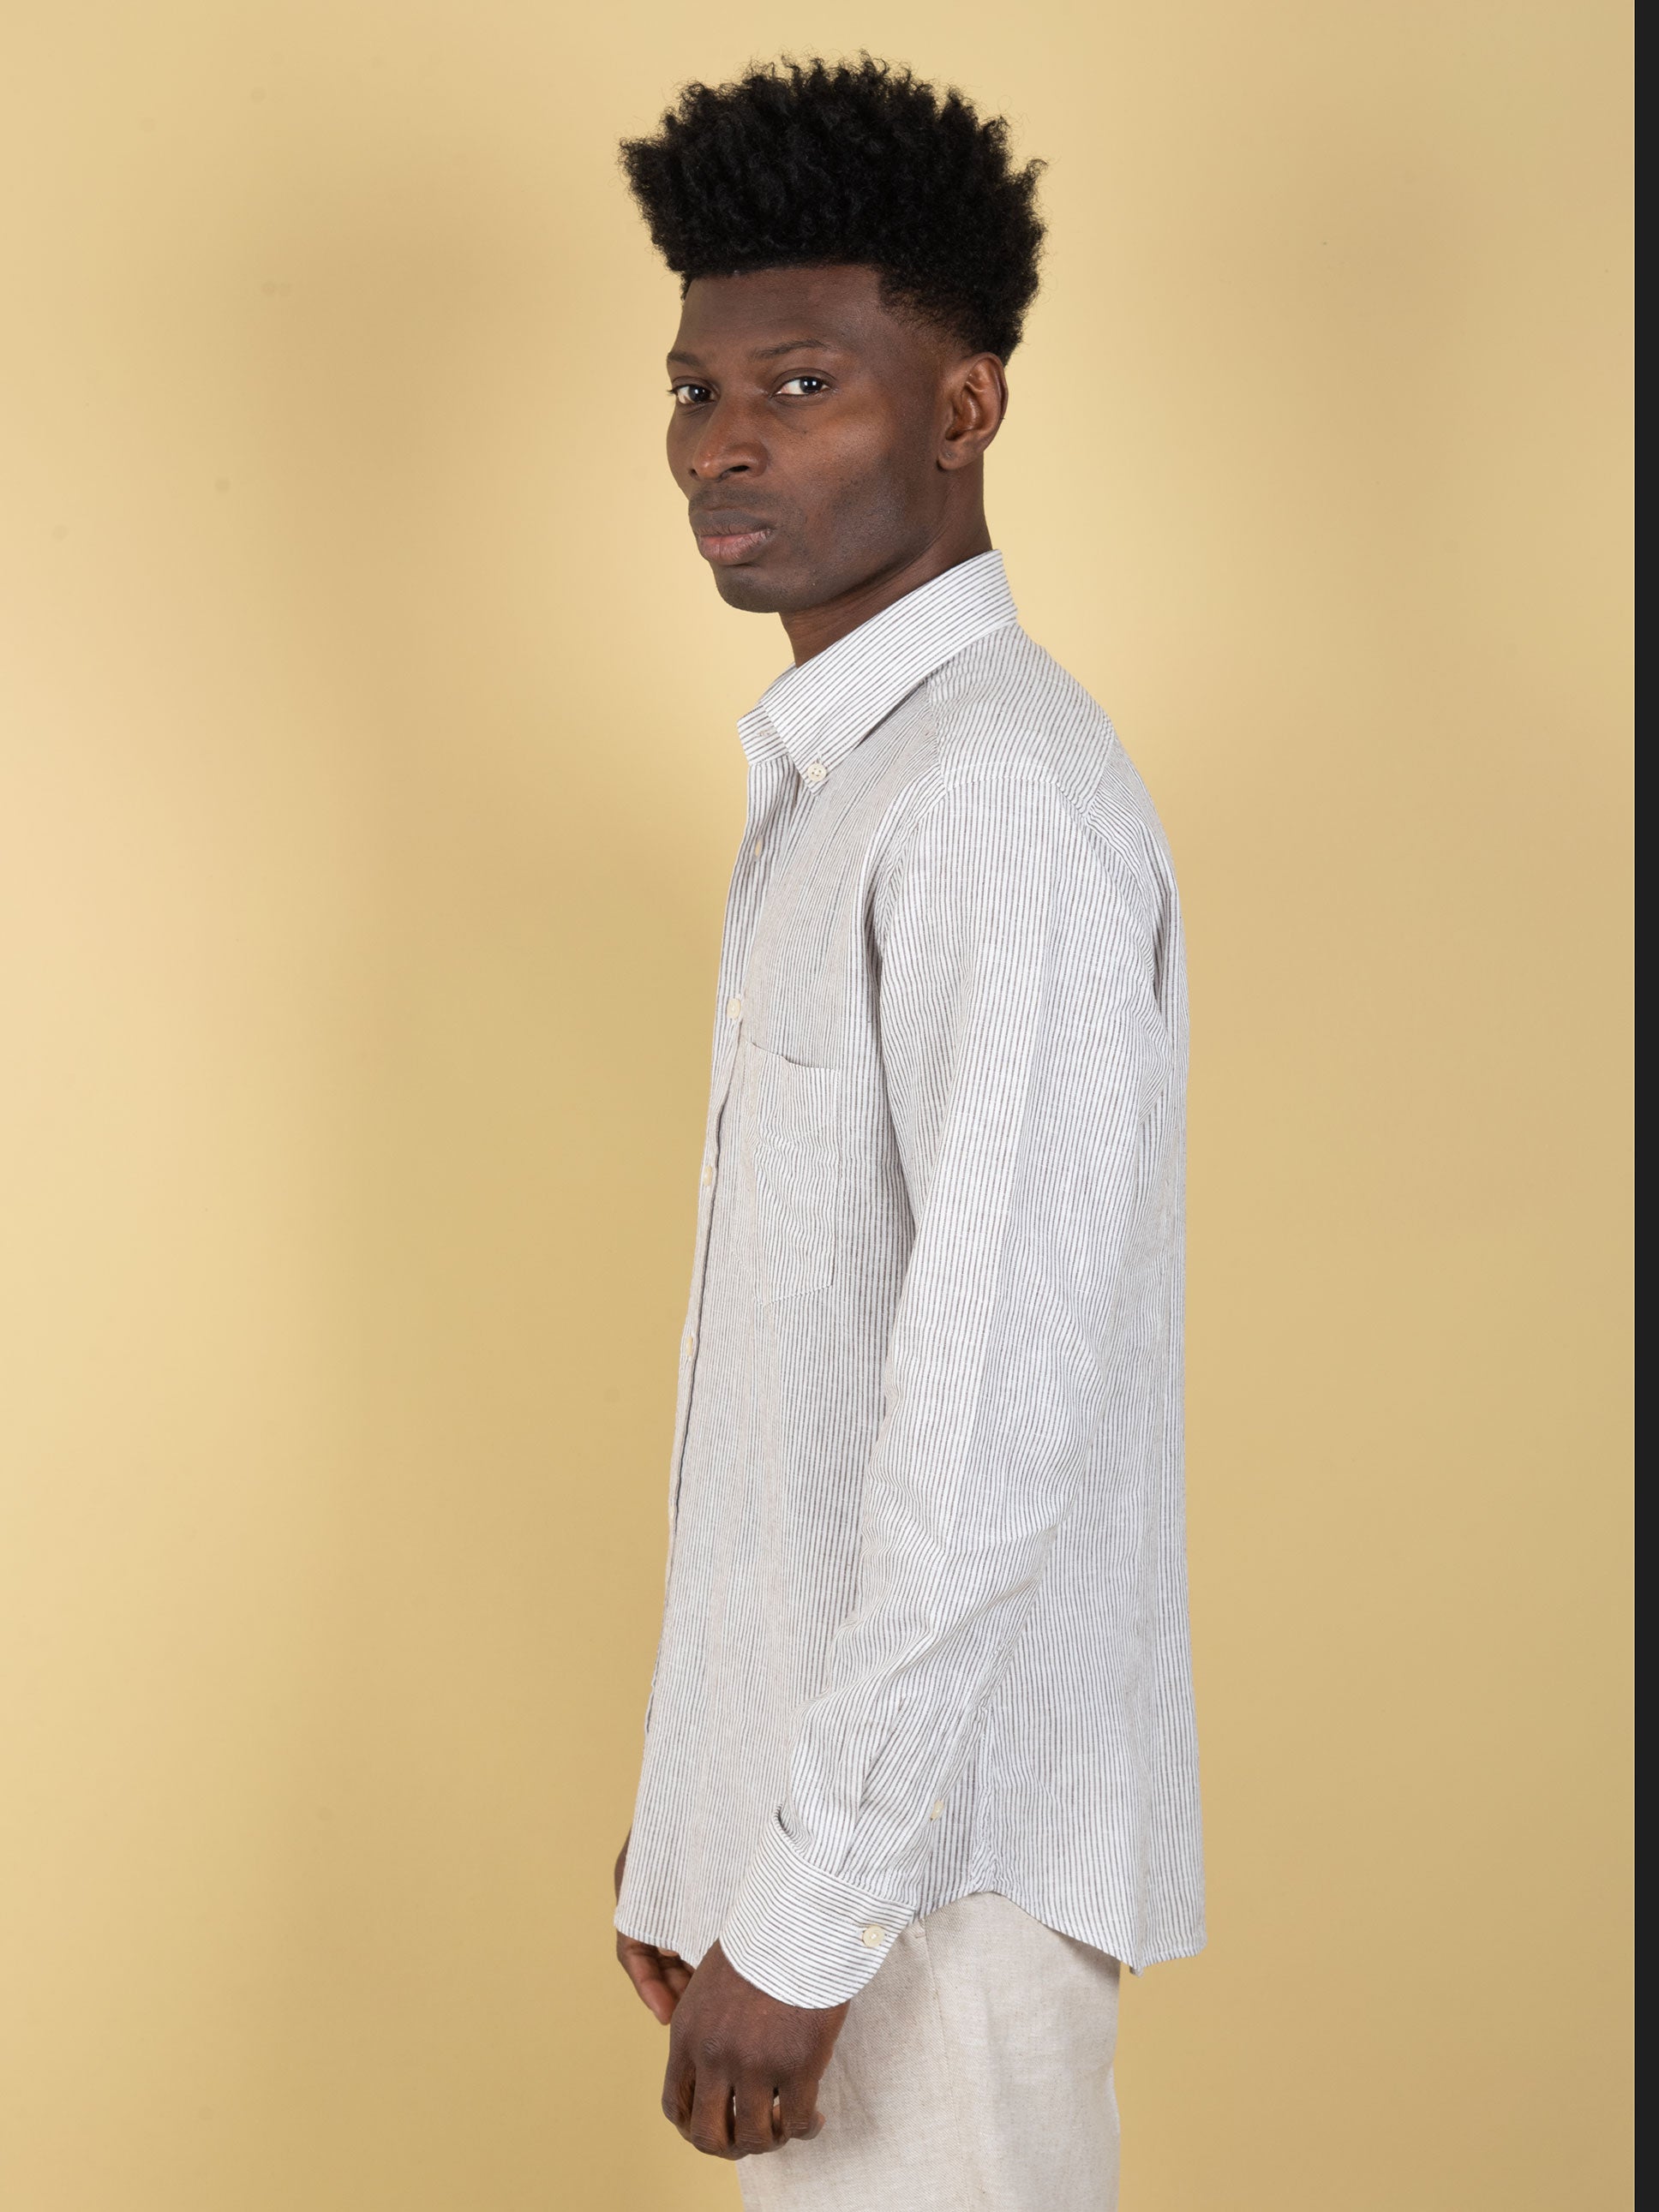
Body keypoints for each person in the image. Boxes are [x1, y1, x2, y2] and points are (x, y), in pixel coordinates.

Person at [609, 57, 1202, 2210]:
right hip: (834, 1864)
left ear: (963, 409)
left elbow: (986, 1414)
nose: (721, 443)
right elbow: (811, 1383)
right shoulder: (843, 781)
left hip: (927, 1895)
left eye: (799, 384)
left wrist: (810, 1898)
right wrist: (710, 1819)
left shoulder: (990, 798)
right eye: (693, 390)